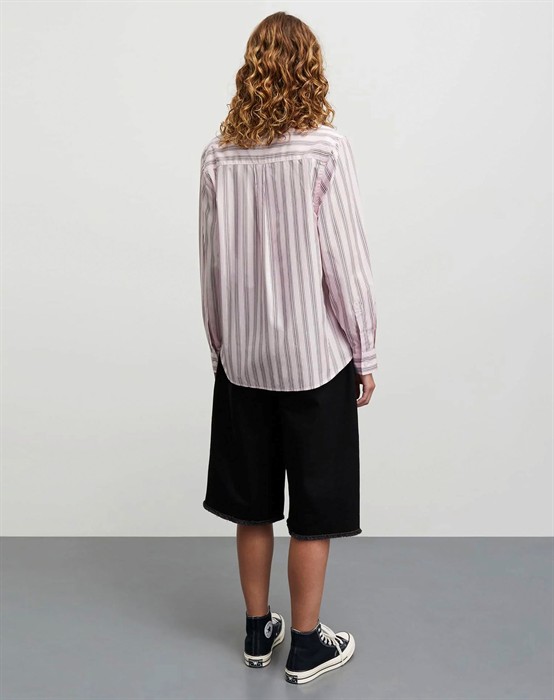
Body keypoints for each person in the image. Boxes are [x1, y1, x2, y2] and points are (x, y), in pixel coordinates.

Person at [198, 10, 377, 685]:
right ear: (310, 69)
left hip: (243, 363)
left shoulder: (218, 155)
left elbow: (211, 266)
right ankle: (305, 645)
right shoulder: (326, 149)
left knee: (251, 505)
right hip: (314, 360)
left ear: (250, 69)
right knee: (313, 510)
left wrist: (222, 349)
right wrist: (365, 351)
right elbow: (345, 262)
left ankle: (256, 632)